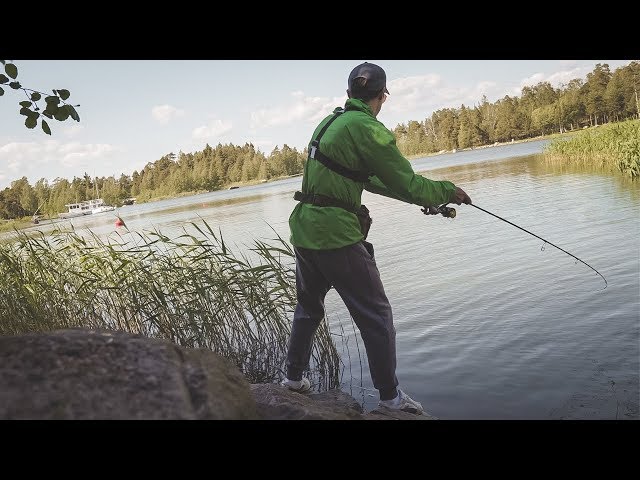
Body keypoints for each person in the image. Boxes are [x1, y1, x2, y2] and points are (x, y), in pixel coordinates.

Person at [280, 62, 472, 415]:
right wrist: (447, 190)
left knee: (308, 307)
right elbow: (408, 184)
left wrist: (431, 197)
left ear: (350, 93)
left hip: (305, 231)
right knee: (377, 314)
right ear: (382, 96)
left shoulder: (331, 122)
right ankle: (391, 398)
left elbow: (370, 181)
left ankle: (293, 378)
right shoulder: (367, 128)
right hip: (336, 235)